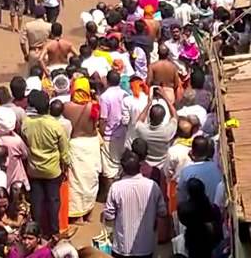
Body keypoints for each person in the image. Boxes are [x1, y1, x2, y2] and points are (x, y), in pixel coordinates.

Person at [19, 91, 69, 238]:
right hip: (53, 171)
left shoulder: (26, 124)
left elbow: (25, 144)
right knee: (53, 202)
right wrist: (66, 166)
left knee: (36, 202)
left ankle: (36, 233)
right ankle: (54, 232)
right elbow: (64, 151)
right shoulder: (55, 125)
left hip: (34, 170)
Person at [102, 152, 167, 258]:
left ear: (123, 168)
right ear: (139, 166)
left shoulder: (116, 187)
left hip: (122, 247)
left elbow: (109, 215)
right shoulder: (153, 186)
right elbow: (162, 212)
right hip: (146, 247)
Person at [62, 77, 100, 221]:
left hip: (75, 145)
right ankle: (89, 212)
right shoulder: (94, 106)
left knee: (76, 182)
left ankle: (77, 216)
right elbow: (95, 124)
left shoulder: (66, 107)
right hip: (90, 145)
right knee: (91, 179)